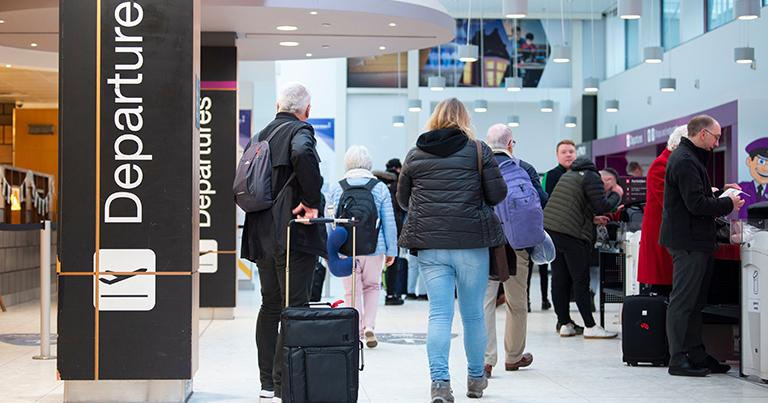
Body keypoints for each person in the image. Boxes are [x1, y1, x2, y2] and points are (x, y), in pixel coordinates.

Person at [398, 98, 507, 402]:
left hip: (431, 246)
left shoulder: (415, 154)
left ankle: (440, 385)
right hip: (472, 243)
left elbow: (404, 200)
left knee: (439, 315)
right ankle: (475, 380)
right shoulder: (477, 149)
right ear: (464, 119)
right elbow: (498, 193)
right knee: (472, 315)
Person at [240, 82, 326, 402]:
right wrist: (312, 201)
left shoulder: (260, 135)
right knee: (295, 306)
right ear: (307, 111)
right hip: (292, 231)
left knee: (270, 304)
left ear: (278, 105)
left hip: (261, 232)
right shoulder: (300, 131)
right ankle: (281, 383)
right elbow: (303, 153)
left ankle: (266, 383)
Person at [660, 115, 744, 377]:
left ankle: (695, 353)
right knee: (684, 302)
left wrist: (721, 195)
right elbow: (695, 205)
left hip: (696, 240)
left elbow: (697, 198)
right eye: (716, 136)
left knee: (696, 302)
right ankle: (678, 358)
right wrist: (728, 204)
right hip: (688, 242)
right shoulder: (685, 160)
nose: (718, 141)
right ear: (703, 134)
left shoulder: (691, 158)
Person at [482, 124, 547, 378]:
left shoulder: (479, 169)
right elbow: (542, 200)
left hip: (486, 243)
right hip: (516, 242)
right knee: (516, 301)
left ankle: (486, 360)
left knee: (485, 301)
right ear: (511, 144)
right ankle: (513, 356)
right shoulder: (525, 168)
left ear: (487, 145)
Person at [543, 156, 623, 339]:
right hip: (571, 234)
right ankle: (590, 325)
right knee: (580, 280)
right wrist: (616, 194)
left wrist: (592, 219)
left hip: (551, 229)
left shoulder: (569, 174)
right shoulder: (591, 176)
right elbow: (602, 205)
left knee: (559, 278)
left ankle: (564, 324)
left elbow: (573, 206)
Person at [327, 145, 398, 349]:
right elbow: (388, 221)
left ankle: (355, 331)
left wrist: (330, 251)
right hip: (375, 247)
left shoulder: (336, 187)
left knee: (352, 291)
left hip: (346, 248)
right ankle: (369, 327)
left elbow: (330, 222)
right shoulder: (379, 187)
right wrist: (391, 251)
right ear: (369, 163)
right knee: (373, 286)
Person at [637, 126, 688, 295]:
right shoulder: (661, 165)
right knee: (663, 288)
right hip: (661, 234)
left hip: (668, 233)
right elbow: (670, 201)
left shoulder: (670, 163)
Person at [531, 139, 577, 312]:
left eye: (571, 151)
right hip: (554, 230)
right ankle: (551, 304)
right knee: (556, 273)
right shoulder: (551, 176)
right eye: (564, 152)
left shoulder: (582, 174)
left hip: (576, 232)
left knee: (576, 275)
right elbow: (545, 202)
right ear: (557, 155)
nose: (568, 155)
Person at [375, 158, 408, 306]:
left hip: (376, 228)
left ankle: (375, 291)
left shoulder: (377, 183)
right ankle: (391, 294)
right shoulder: (397, 185)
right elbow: (403, 206)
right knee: (392, 262)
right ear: (397, 169)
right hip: (395, 227)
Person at [737, 138, 768, 218]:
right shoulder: (741, 188)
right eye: (761, 162)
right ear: (749, 161)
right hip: (745, 229)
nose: (765, 169)